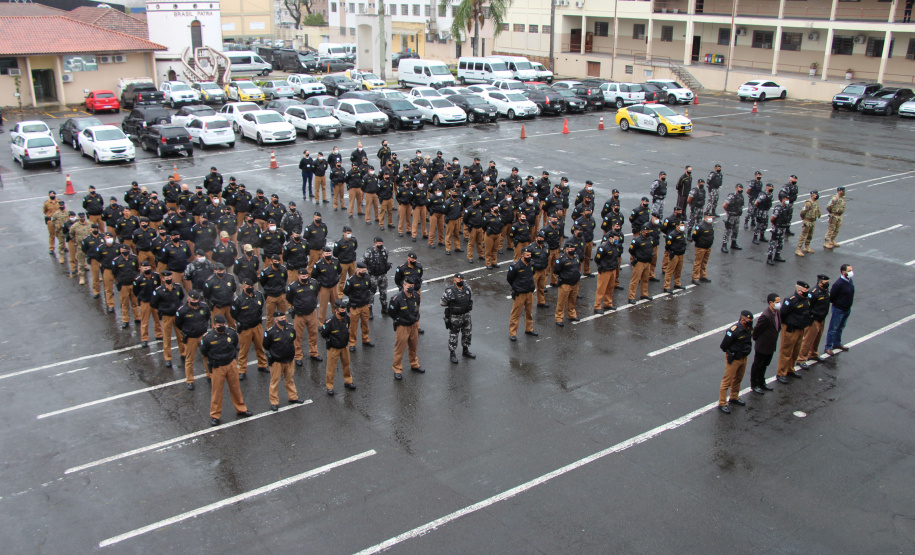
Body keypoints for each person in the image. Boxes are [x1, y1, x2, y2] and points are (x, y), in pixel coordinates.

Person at [199, 315, 252, 426]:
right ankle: (215, 415)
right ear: (214, 325)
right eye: (219, 325)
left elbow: (234, 343)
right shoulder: (208, 338)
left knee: (235, 388)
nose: (222, 327)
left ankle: (241, 408)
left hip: (231, 363)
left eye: (223, 325)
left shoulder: (231, 333)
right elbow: (204, 351)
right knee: (217, 392)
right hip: (218, 366)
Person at [262, 311, 305, 410]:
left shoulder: (290, 327)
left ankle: (293, 397)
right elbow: (266, 345)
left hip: (289, 359)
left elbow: (293, 338)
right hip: (277, 361)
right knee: (275, 382)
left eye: (284, 318)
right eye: (281, 319)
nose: (283, 320)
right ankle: (274, 402)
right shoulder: (270, 332)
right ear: (276, 320)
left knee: (290, 379)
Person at [717, 310, 754, 414]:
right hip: (734, 358)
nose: (750, 322)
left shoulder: (749, 329)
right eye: (748, 320)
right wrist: (731, 354)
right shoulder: (734, 330)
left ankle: (734, 396)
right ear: (743, 320)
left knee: (738, 378)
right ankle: (722, 403)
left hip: (743, 357)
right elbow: (723, 346)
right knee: (727, 381)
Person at [286, 267, 323, 365]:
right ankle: (298, 356)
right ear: (298, 276)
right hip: (299, 315)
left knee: (313, 333)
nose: (305, 277)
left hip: (311, 313)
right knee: (298, 336)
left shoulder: (313, 283)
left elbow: (316, 293)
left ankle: (314, 352)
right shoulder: (293, 287)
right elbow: (289, 298)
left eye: (306, 276)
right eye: (303, 276)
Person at [232, 278, 268, 377]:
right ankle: (242, 370)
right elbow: (234, 314)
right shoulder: (238, 300)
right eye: (248, 287)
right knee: (243, 351)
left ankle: (262, 364)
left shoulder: (258, 295)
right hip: (245, 329)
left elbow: (261, 307)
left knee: (260, 346)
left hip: (257, 326)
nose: (250, 288)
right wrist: (243, 322)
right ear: (243, 287)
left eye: (251, 286)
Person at [776, 280, 811, 383]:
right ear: (799, 291)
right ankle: (781, 372)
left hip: (801, 329)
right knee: (786, 352)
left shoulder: (806, 299)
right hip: (791, 330)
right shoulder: (791, 300)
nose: (807, 291)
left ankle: (790, 369)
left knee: (795, 351)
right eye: (805, 290)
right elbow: (783, 314)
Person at [389, 276, 424, 379]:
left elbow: (417, 307)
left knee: (413, 347)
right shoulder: (397, 298)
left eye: (413, 286)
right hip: (403, 326)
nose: (411, 288)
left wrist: (417, 319)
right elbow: (392, 312)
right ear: (403, 286)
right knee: (399, 349)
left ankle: (414, 364)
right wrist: (399, 320)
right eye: (409, 286)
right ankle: (397, 369)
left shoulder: (416, 295)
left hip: (414, 325)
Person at [175, 290, 211, 389]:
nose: (195, 301)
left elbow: (207, 317)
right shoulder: (182, 310)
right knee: (190, 360)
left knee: (207, 356)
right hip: (191, 337)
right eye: (193, 300)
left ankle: (210, 375)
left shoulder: (203, 306)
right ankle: (190, 380)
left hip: (202, 335)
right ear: (188, 299)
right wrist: (188, 331)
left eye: (196, 299)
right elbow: (178, 323)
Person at [150, 271, 185, 368]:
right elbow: (153, 303)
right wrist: (163, 309)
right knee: (167, 338)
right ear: (162, 279)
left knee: (180, 336)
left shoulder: (177, 287)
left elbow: (181, 297)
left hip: (177, 315)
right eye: (166, 277)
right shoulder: (159, 290)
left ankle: (183, 353)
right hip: (166, 316)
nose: (168, 278)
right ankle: (168, 358)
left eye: (170, 277)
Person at [320, 299, 356, 395]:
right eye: (341, 311)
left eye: (344, 311)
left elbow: (347, 328)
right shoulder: (329, 322)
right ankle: (329, 386)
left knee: (346, 364)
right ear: (336, 310)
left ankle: (348, 381)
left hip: (344, 346)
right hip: (334, 348)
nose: (343, 313)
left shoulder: (346, 318)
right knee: (331, 368)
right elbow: (323, 334)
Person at [797, 274, 830, 366]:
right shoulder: (814, 292)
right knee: (808, 340)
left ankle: (813, 354)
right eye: (826, 282)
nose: (828, 284)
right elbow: (807, 307)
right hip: (814, 319)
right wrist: (809, 318)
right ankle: (801, 359)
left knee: (817, 338)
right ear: (820, 282)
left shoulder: (826, 291)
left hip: (821, 319)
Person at [750, 293, 780, 395]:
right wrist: (757, 340)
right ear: (771, 303)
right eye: (777, 302)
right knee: (758, 365)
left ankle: (762, 382)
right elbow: (757, 330)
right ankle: (755, 384)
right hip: (763, 345)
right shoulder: (766, 316)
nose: (779, 304)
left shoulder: (777, 313)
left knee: (765, 365)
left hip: (771, 345)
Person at [441, 273, 474, 363]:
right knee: (454, 335)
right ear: (454, 281)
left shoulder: (467, 289)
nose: (461, 282)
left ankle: (465, 350)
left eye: (462, 280)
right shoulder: (450, 291)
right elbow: (442, 303)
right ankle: (452, 354)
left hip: (466, 315)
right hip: (455, 317)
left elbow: (470, 299)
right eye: (458, 280)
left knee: (467, 333)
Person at [343, 262, 374, 352]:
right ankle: (352, 343)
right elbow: (346, 292)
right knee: (353, 326)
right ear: (357, 270)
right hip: (355, 306)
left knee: (365, 324)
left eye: (365, 271)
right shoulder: (351, 280)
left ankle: (365, 339)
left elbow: (369, 287)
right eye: (362, 271)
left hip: (365, 305)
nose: (364, 272)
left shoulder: (367, 277)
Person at [824, 264, 854, 355]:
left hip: (846, 309)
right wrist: (839, 304)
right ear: (843, 272)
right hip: (839, 310)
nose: (851, 272)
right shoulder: (838, 284)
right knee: (833, 329)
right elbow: (831, 297)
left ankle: (837, 343)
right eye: (849, 271)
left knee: (840, 327)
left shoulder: (850, 281)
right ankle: (828, 347)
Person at [133, 261, 162, 348]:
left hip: (155, 301)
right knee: (144, 321)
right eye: (145, 268)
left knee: (157, 319)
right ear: (141, 269)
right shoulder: (138, 279)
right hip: (145, 302)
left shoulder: (155, 276)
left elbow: (158, 286)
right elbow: (136, 291)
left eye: (148, 267)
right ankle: (144, 339)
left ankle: (159, 335)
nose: (147, 269)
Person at [111, 245, 140, 328]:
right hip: (123, 285)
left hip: (133, 284)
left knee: (135, 302)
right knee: (124, 304)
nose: (125, 251)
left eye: (126, 249)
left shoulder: (134, 258)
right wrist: (118, 282)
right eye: (123, 249)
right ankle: (125, 320)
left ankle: (137, 317)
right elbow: (114, 273)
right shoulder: (116, 261)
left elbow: (136, 269)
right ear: (120, 250)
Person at [363, 236, 391, 317]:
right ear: (375, 244)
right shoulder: (369, 252)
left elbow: (385, 261)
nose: (380, 245)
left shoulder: (385, 250)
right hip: (373, 276)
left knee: (384, 292)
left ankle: (384, 308)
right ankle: (370, 310)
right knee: (371, 293)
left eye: (381, 244)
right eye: (379, 244)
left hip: (383, 275)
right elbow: (364, 263)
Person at [554, 244, 582, 326]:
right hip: (565, 284)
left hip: (575, 283)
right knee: (561, 302)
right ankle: (559, 318)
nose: (572, 250)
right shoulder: (561, 259)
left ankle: (572, 315)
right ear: (566, 250)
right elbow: (556, 270)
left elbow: (578, 267)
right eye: (571, 249)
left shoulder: (576, 257)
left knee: (572, 300)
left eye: (573, 249)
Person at [592, 233, 621, 313]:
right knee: (601, 289)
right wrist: (602, 266)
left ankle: (608, 303)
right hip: (605, 270)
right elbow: (597, 259)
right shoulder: (603, 247)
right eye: (615, 239)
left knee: (610, 287)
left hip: (613, 269)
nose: (617, 241)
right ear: (610, 238)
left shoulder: (615, 246)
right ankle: (597, 306)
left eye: (617, 239)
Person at [259, 254, 288, 329]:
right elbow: (262, 283)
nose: (277, 263)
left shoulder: (283, 269)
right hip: (271, 297)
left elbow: (285, 279)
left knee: (283, 316)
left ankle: (284, 330)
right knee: (270, 318)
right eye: (275, 261)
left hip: (281, 295)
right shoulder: (265, 272)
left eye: (278, 261)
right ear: (271, 262)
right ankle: (270, 332)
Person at [628, 225, 654, 304]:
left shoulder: (650, 239)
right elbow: (631, 250)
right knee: (635, 280)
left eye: (649, 231)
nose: (648, 233)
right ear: (642, 232)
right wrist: (636, 257)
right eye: (647, 231)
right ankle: (631, 297)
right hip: (639, 262)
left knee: (645, 279)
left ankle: (644, 294)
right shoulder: (637, 240)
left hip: (647, 262)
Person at [663, 219, 687, 293]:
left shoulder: (683, 233)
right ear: (677, 226)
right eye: (681, 226)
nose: (683, 227)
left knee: (678, 270)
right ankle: (666, 286)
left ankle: (677, 283)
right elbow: (668, 246)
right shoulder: (672, 235)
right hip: (674, 254)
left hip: (681, 254)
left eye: (683, 225)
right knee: (670, 271)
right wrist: (671, 252)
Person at [333, 225, 358, 297]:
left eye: (350, 233)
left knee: (353, 279)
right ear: (343, 233)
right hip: (343, 263)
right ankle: (340, 295)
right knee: (342, 280)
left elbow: (355, 247)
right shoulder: (339, 242)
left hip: (352, 262)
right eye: (347, 233)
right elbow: (335, 253)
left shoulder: (353, 240)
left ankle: (353, 293)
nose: (349, 234)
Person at [767, 194, 791, 265]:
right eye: (786, 199)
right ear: (783, 200)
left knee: (780, 242)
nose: (787, 201)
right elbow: (773, 218)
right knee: (773, 242)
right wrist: (775, 224)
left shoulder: (787, 208)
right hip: (777, 227)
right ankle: (769, 257)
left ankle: (777, 255)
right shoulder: (778, 208)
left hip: (783, 227)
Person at [795, 190, 821, 256]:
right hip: (807, 221)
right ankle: (798, 249)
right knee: (803, 235)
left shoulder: (816, 202)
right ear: (812, 195)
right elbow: (803, 211)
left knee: (810, 235)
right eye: (815, 194)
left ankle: (807, 247)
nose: (817, 195)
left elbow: (818, 210)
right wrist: (803, 218)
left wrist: (818, 214)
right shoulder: (808, 203)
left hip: (812, 221)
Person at [721, 183, 745, 253]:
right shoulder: (732, 196)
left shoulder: (741, 197)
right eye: (739, 188)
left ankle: (733, 243)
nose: (740, 189)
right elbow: (725, 205)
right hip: (731, 215)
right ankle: (724, 245)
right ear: (736, 188)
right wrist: (727, 211)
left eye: (741, 188)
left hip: (737, 216)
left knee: (736, 230)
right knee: (728, 230)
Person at [691, 214, 715, 285]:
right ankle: (695, 278)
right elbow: (694, 236)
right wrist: (700, 243)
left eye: (711, 217)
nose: (711, 219)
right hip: (701, 247)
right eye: (709, 217)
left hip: (708, 247)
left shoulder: (710, 225)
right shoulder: (700, 226)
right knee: (698, 263)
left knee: (704, 262)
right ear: (705, 218)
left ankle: (703, 275)